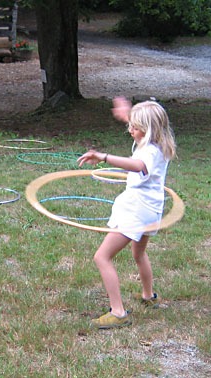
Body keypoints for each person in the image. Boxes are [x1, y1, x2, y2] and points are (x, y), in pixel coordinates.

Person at [77, 97, 176, 329]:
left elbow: (138, 166)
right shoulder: (159, 143)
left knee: (102, 257)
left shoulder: (149, 152)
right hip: (151, 210)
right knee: (138, 254)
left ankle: (118, 312)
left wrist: (103, 157)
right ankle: (148, 296)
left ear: (148, 129)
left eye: (134, 127)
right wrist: (127, 114)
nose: (129, 130)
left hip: (136, 210)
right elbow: (143, 129)